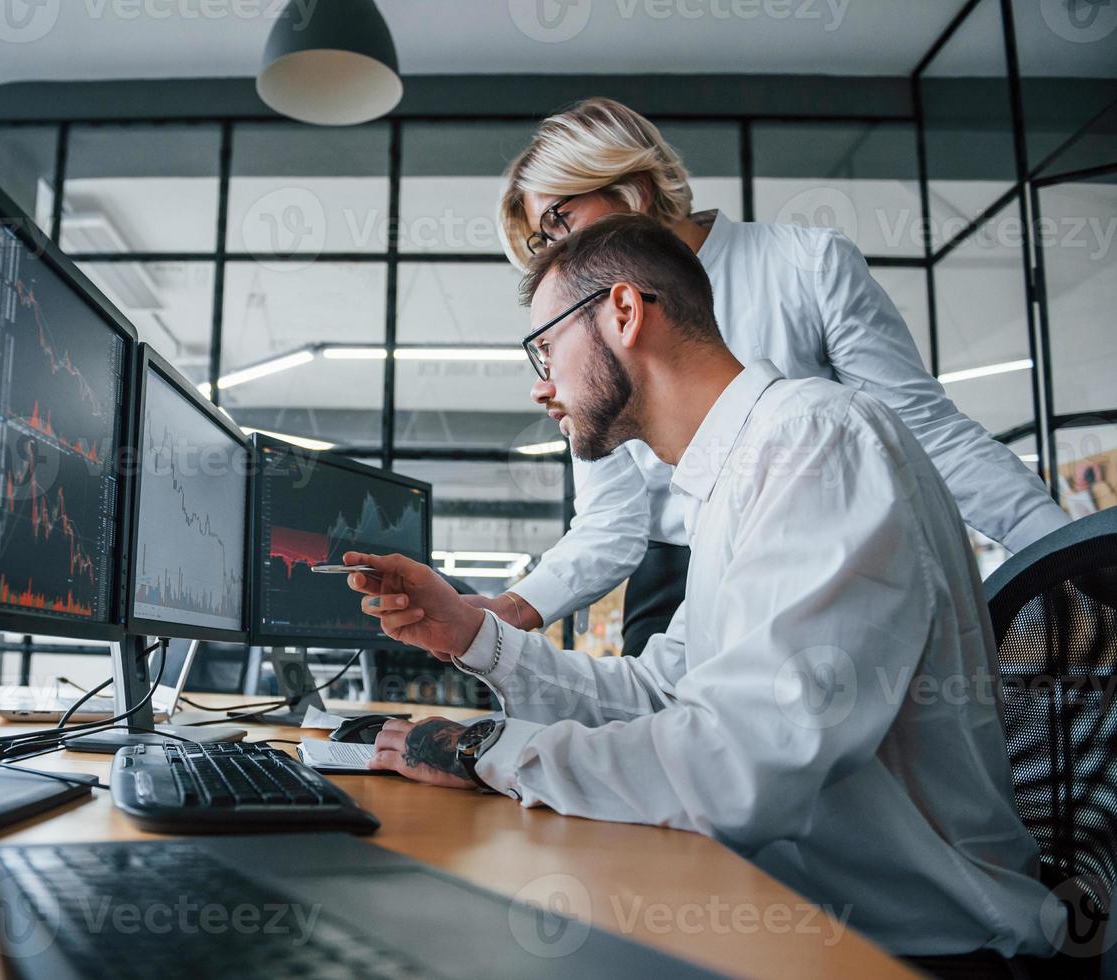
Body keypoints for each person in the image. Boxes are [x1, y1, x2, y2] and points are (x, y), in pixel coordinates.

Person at [344, 214, 1057, 975]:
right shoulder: (735, 478)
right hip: (796, 922)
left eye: (545, 344)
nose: (540, 382)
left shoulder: (815, 442)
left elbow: (741, 769)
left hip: (915, 952)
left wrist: (485, 748)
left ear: (623, 311)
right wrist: (472, 635)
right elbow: (663, 695)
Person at [474, 98, 1068, 656]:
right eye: (541, 238)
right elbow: (612, 519)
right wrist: (508, 610)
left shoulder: (805, 265)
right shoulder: (590, 332)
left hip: (815, 555)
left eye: (559, 218)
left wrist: (1077, 553)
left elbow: (931, 436)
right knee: (654, 734)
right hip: (677, 574)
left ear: (633, 187)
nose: (555, 250)